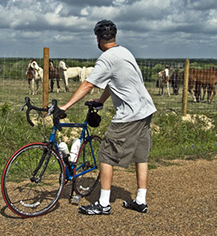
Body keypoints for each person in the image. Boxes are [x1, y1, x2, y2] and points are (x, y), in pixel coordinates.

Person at [58, 19, 157, 215]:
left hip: (129, 115)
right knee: (140, 155)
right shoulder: (125, 52)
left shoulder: (106, 58)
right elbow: (117, 81)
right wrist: (102, 100)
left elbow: (87, 85)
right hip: (145, 110)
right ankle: (140, 200)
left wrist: (65, 106)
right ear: (115, 36)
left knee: (106, 155)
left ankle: (103, 204)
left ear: (97, 39)